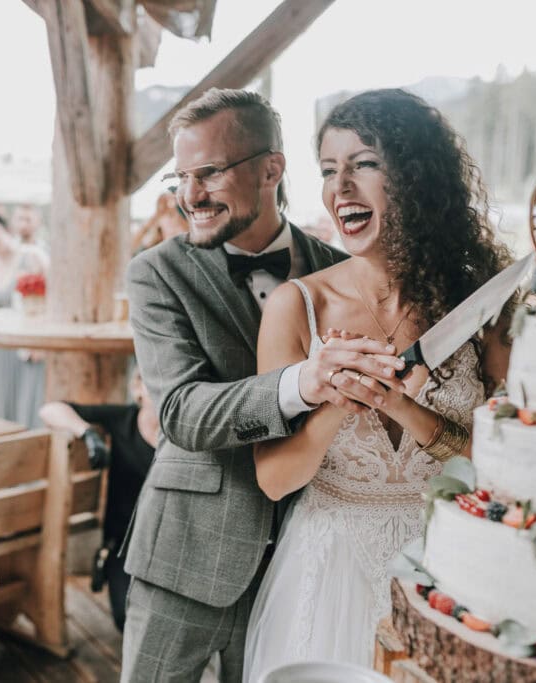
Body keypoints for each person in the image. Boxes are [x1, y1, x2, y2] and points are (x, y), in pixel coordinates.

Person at [121, 88, 403, 683]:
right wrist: (305, 381)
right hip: (186, 559)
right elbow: (180, 411)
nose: (189, 195)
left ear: (272, 168)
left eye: (210, 173)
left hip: (303, 570)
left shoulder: (339, 266)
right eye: (181, 177)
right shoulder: (155, 273)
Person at [243, 89, 512, 678]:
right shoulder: (297, 306)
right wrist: (336, 403)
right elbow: (274, 480)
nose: (340, 189)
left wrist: (403, 407)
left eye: (364, 164)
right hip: (326, 571)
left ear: (417, 178)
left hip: (449, 569)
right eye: (329, 170)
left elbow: (503, 470)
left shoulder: (481, 304)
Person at [38, 369, 158, 631]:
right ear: (137, 388)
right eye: (153, 383)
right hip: (124, 547)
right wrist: (87, 433)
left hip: (167, 543)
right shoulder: (122, 419)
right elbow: (51, 409)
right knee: (127, 617)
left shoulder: (183, 432)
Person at [0, 212, 47, 427]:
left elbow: (51, 299)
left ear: (7, 230)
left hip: (28, 346)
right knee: (2, 406)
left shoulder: (32, 256)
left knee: (30, 406)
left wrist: (41, 345)